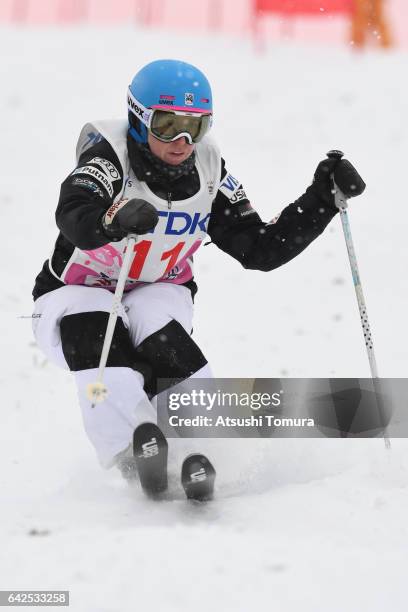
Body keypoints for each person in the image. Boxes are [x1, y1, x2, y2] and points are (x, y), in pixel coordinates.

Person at [32, 58, 365, 500]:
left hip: (157, 289)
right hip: (77, 291)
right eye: (167, 125)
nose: (182, 141)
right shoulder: (109, 158)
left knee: (163, 343)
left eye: (196, 126)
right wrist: (110, 218)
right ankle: (134, 451)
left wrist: (322, 199)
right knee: (94, 332)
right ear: (138, 119)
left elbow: (259, 248)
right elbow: (73, 211)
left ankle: (203, 449)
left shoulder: (209, 167)